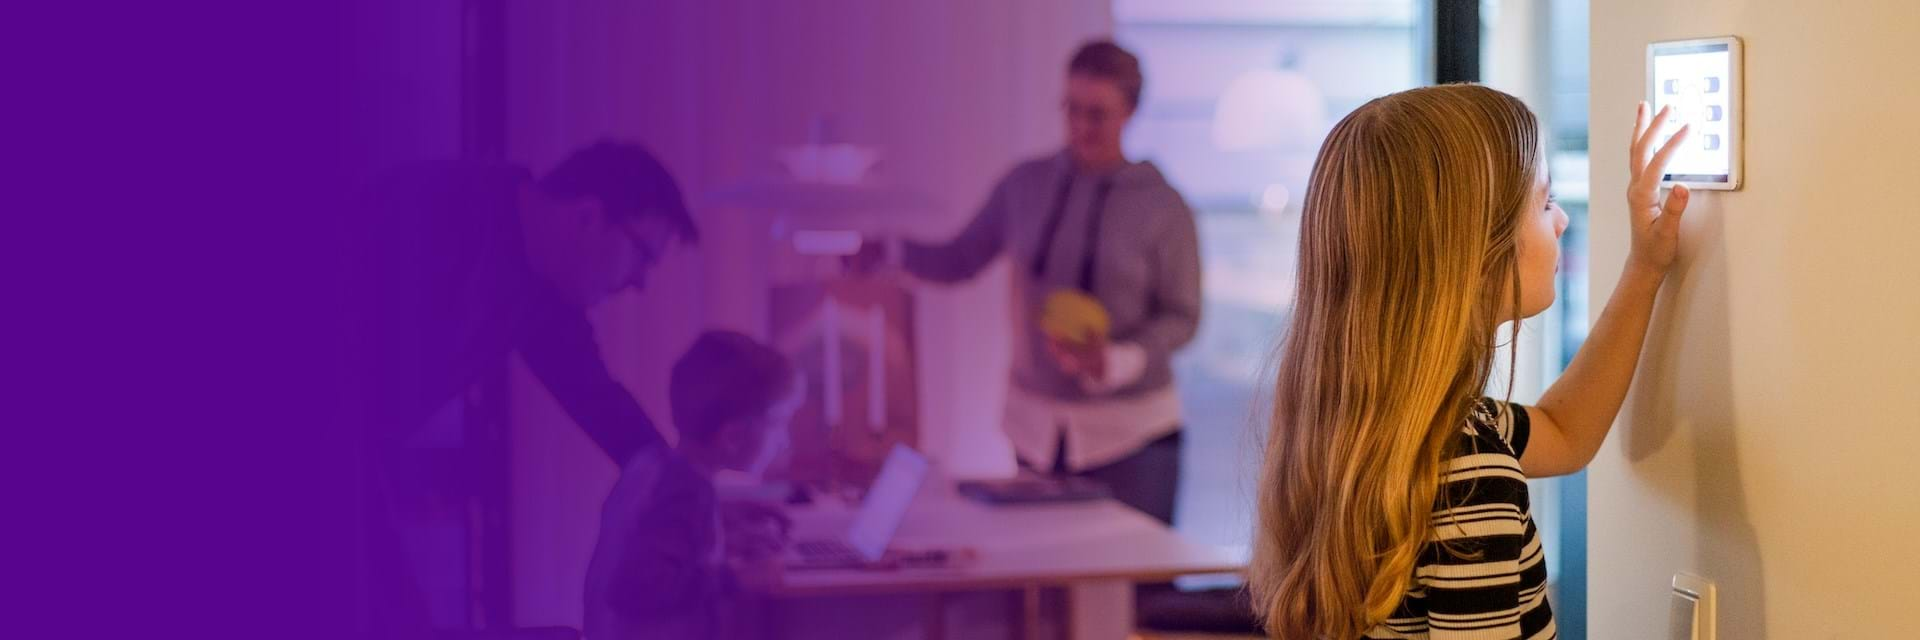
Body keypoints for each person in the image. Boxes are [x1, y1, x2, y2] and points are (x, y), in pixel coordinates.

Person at [1248, 86, 1695, 638]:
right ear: (1475, 251)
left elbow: (1566, 430)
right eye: (1544, 203)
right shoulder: (1468, 468)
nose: (1560, 223)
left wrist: (1645, 268)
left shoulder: (1364, 426)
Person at [351, 141, 696, 637]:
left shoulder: (542, 294)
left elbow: (601, 403)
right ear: (588, 217)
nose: (639, 283)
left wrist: (694, 496)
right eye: (643, 256)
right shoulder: (435, 208)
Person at [856, 39, 1201, 526]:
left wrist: (1118, 359)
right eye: (1072, 109)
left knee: (1134, 595)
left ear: (1129, 112)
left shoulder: (1164, 207)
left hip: (1134, 435)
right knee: (1053, 587)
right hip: (1037, 430)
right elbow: (960, 258)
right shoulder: (1025, 185)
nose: (1082, 126)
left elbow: (1183, 317)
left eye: (1097, 114)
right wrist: (890, 251)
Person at [584, 330, 804, 640]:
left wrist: (725, 538)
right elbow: (635, 586)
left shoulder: (654, 464)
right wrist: (735, 579)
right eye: (779, 422)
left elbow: (663, 549)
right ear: (733, 437)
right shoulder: (688, 492)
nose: (784, 440)